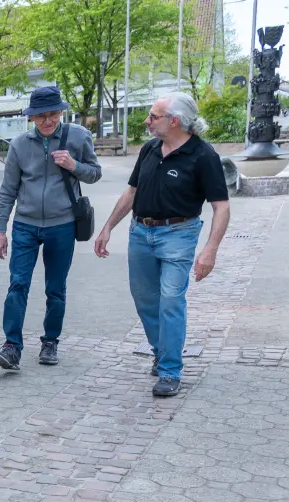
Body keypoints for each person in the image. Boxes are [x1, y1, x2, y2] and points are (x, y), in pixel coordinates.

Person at [95, 93, 230, 397]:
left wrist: (210, 250)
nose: (147, 121)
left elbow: (221, 206)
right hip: (140, 233)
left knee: (170, 301)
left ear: (175, 121)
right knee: (144, 299)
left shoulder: (203, 156)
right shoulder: (150, 149)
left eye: (153, 116)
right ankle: (161, 350)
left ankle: (170, 370)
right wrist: (108, 227)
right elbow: (131, 193)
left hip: (179, 235)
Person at [0, 86, 102, 371]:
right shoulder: (19, 145)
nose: (48, 121)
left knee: (55, 288)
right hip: (25, 225)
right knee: (18, 285)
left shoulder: (78, 136)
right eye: (41, 116)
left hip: (62, 225)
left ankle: (50, 341)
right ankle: (11, 347)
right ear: (31, 117)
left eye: (53, 114)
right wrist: (1, 230)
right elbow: (8, 190)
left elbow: (95, 173)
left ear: (61, 112)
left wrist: (74, 165)